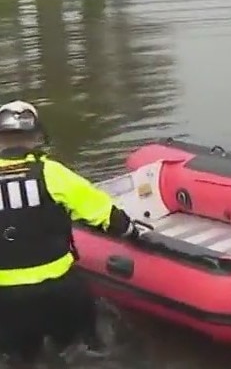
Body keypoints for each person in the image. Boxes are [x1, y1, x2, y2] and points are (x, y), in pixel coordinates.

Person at [0, 100, 139, 366]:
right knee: (79, 349)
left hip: (5, 299)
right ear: (35, 137)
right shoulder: (52, 173)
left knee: (18, 357)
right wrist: (131, 232)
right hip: (59, 289)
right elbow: (105, 214)